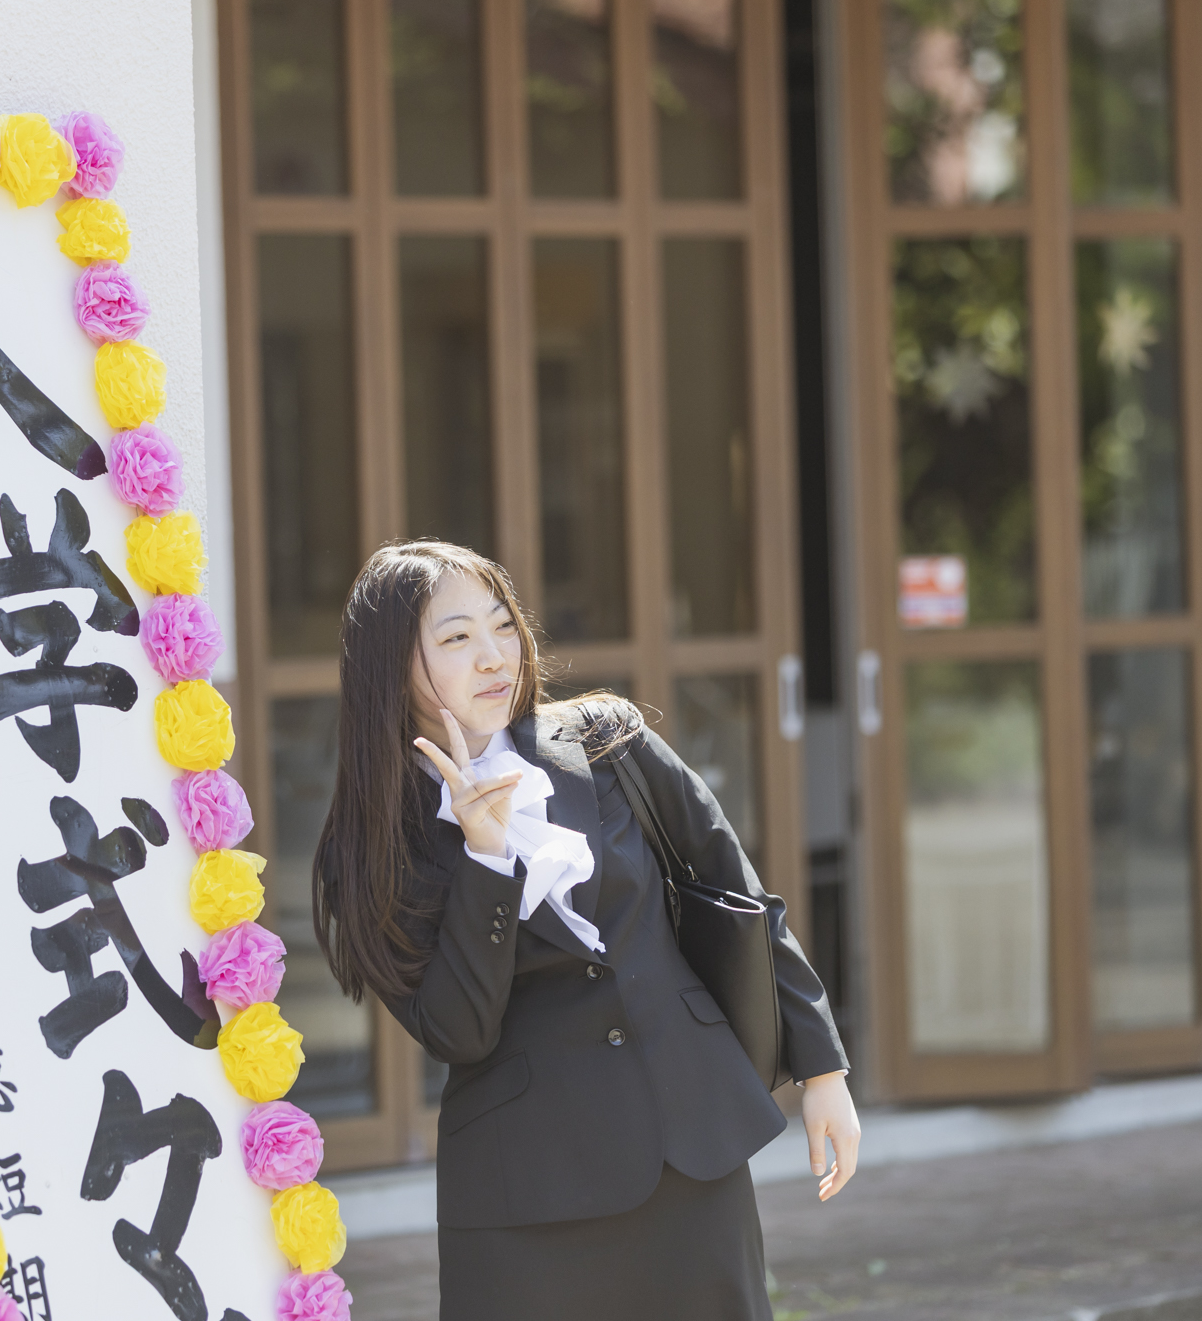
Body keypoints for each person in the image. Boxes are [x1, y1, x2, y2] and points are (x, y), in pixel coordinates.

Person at [312, 541, 861, 1321]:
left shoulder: (607, 740)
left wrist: (823, 1070)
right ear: (390, 667)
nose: (495, 655)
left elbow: (739, 894)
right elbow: (457, 1029)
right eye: (457, 638)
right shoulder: (369, 848)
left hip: (688, 1154)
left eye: (503, 626)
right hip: (526, 1198)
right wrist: (486, 859)